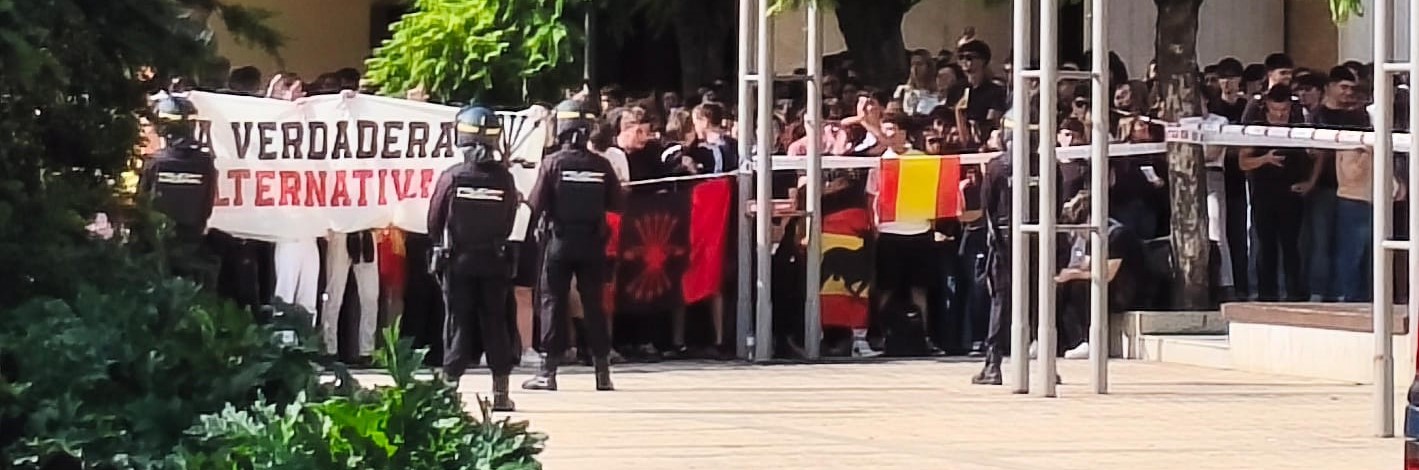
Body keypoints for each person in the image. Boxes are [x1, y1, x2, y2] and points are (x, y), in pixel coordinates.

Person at [427, 104, 522, 411]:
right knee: (496, 324)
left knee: (458, 325)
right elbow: (509, 220)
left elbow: (434, 220)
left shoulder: (453, 176)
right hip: (494, 261)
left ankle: (449, 392)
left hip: (459, 262)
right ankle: (501, 395)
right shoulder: (505, 179)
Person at [524, 100, 623, 392]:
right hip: (592, 243)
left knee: (552, 302)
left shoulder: (552, 163)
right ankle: (602, 373)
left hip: (559, 242)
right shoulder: (602, 165)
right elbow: (618, 204)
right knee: (594, 305)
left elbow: (535, 205)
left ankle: (548, 373)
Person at [1240, 85, 1309, 301]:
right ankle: (1266, 294)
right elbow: (1243, 162)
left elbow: (1319, 154)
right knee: (1266, 246)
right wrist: (1265, 159)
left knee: (1292, 246)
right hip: (1264, 195)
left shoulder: (1298, 127)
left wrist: (1310, 182)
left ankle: (1294, 294)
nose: (1280, 115)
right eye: (1275, 110)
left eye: (1284, 111)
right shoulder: (1257, 129)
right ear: (1267, 107)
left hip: (1292, 195)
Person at [141, 95, 219, 285]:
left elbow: (142, 202)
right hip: (192, 246)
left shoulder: (155, 163)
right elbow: (207, 205)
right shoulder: (205, 162)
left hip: (157, 248)